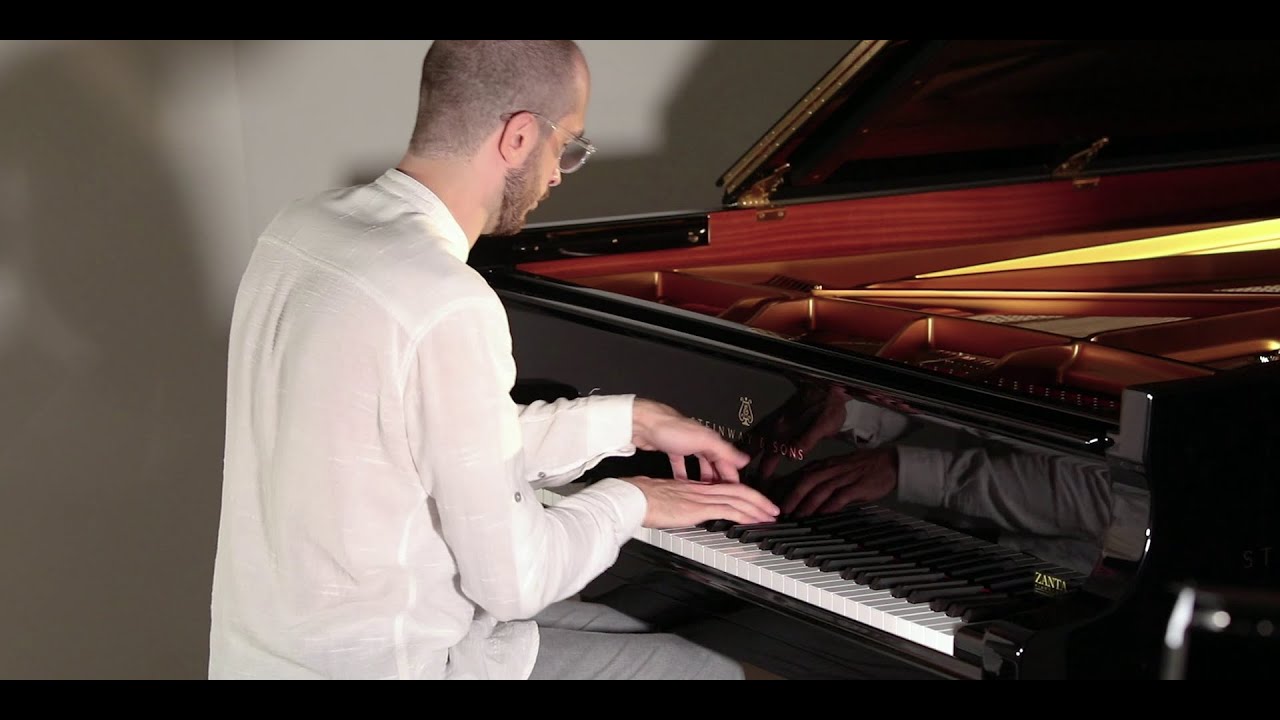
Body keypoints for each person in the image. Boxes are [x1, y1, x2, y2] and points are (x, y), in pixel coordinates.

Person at [208, 40, 780, 681]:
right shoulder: (446, 298)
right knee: (710, 672)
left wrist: (632, 422)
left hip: (273, 652)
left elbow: (438, 444)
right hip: (389, 664)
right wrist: (634, 499)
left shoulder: (302, 227)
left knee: (665, 639)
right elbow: (516, 582)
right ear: (519, 136)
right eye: (567, 146)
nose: (558, 173)